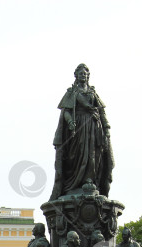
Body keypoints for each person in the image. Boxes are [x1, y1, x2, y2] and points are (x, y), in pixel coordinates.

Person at [49, 63, 114, 200]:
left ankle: (89, 181)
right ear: (76, 76)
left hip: (93, 127)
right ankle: (74, 185)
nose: (83, 75)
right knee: (76, 154)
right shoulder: (72, 92)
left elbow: (101, 111)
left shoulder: (92, 92)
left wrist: (106, 127)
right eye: (80, 73)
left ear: (88, 76)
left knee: (93, 155)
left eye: (85, 73)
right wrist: (70, 122)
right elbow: (66, 111)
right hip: (77, 128)